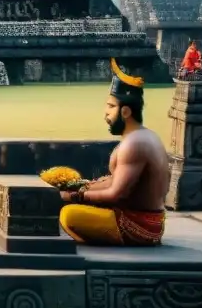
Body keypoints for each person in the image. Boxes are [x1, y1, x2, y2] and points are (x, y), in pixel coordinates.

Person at [58, 59, 170, 246]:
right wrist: (84, 186)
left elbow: (116, 194)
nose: (106, 114)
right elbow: (117, 181)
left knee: (68, 214)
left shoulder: (134, 144)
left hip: (137, 225)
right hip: (151, 222)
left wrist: (74, 196)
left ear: (125, 111)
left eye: (111, 106)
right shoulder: (143, 137)